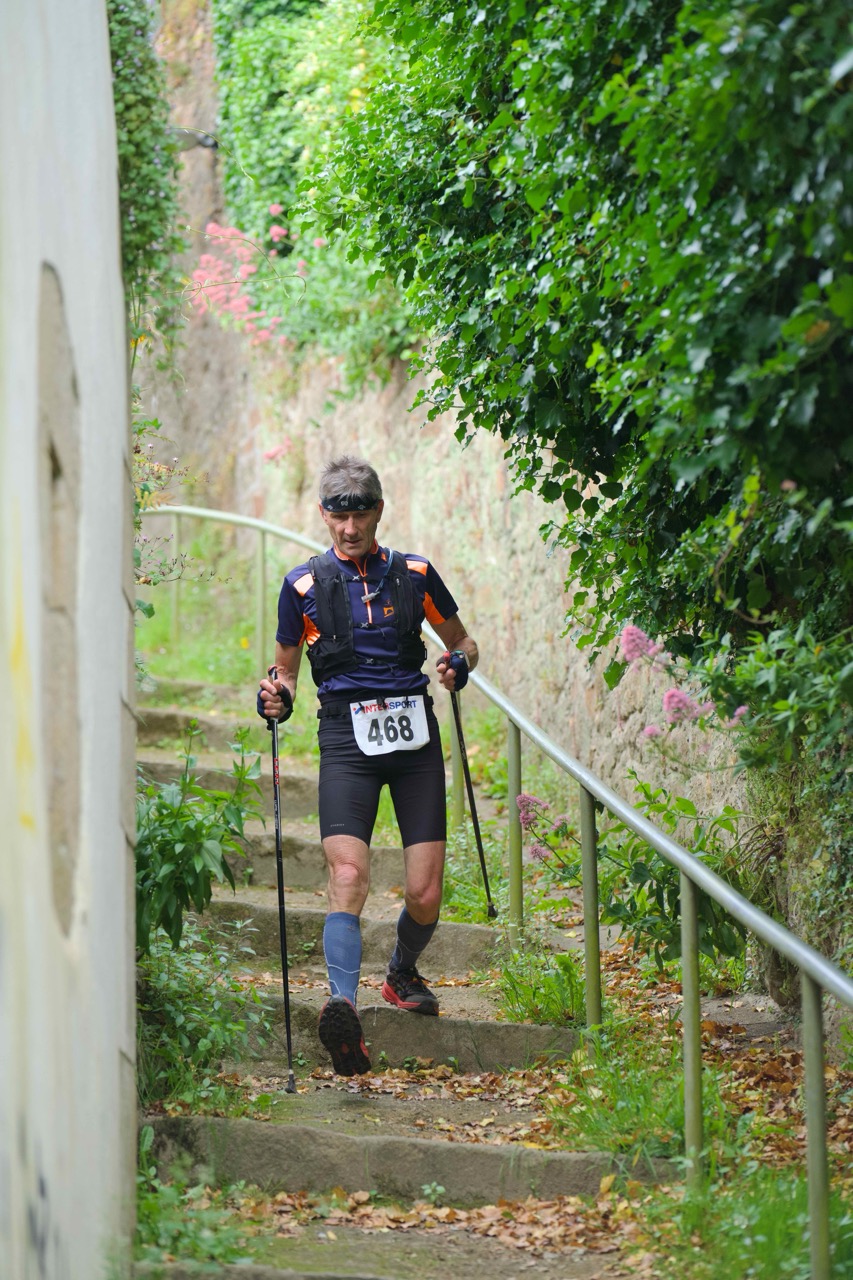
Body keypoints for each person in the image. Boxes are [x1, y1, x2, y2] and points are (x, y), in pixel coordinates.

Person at [257, 455, 478, 1077]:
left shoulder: (415, 574)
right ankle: (342, 1007)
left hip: (412, 739)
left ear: (378, 511)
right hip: (345, 737)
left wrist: (459, 664)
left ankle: (401, 971)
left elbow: (462, 642)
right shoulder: (303, 585)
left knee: (425, 894)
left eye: (360, 515)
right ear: (323, 514)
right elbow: (285, 671)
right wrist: (276, 695)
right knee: (349, 873)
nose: (349, 527)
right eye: (338, 516)